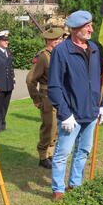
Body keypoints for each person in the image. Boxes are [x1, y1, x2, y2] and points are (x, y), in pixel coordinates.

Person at [47, 10, 103, 200]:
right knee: (62, 154)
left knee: (83, 151)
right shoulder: (61, 51)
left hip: (92, 111)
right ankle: (58, 189)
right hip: (71, 115)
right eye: (87, 26)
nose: (91, 29)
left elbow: (102, 79)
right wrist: (65, 114)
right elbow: (55, 86)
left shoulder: (96, 48)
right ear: (75, 30)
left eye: (91, 25)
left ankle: (75, 184)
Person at [26, 27, 63, 169]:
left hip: (59, 95)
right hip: (47, 96)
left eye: (60, 39)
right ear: (49, 41)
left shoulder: (58, 54)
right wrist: (36, 99)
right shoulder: (43, 56)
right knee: (49, 126)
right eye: (57, 39)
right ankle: (42, 156)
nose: (60, 41)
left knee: (57, 128)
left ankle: (50, 153)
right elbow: (30, 80)